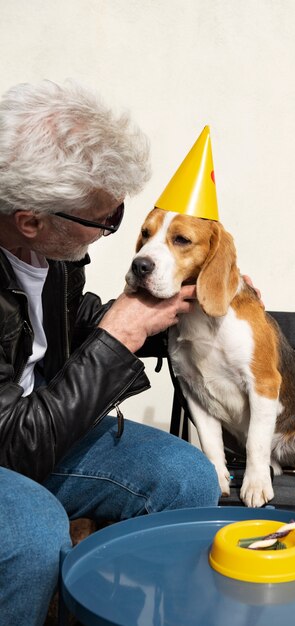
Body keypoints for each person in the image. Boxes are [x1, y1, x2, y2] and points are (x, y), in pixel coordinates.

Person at [0, 79, 221, 626]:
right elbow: (15, 448)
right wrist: (119, 335)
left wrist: (177, 311)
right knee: (31, 529)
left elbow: (66, 326)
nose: (109, 232)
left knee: (186, 476)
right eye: (108, 221)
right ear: (31, 219)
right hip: (13, 445)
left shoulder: (52, 250)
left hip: (39, 428)